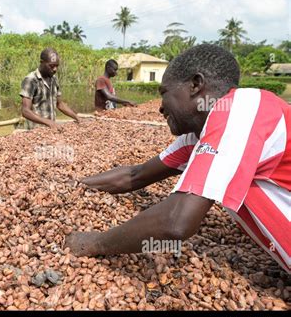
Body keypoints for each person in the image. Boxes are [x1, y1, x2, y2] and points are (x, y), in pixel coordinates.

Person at [66, 44, 290, 273]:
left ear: (195, 85)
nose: (161, 108)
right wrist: (75, 185)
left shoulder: (241, 111)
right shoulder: (199, 134)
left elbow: (177, 220)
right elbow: (136, 175)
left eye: (164, 93)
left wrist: (94, 243)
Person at [20, 48, 79, 130]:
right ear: (42, 62)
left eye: (56, 66)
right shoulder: (31, 80)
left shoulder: (54, 79)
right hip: (35, 131)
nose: (55, 69)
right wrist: (48, 122)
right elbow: (25, 111)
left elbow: (60, 104)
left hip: (51, 130)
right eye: (51, 66)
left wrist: (77, 117)